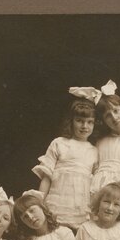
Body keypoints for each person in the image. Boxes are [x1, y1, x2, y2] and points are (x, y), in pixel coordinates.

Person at [33, 90, 99, 230]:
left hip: (81, 206)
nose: (84, 126)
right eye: (79, 121)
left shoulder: (94, 151)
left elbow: (94, 187)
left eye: (90, 122)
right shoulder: (59, 143)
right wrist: (40, 203)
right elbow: (47, 177)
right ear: (71, 121)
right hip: (57, 203)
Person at [12, 190, 82, 240]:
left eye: (32, 210)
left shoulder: (64, 233)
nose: (30, 217)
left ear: (42, 207)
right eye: (25, 217)